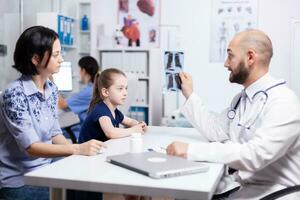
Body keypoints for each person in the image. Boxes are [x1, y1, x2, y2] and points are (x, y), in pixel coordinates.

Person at [166, 29, 300, 199]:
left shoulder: (283, 102)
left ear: (250, 57)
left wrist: (191, 150)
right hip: (247, 187)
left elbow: (255, 155)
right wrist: (189, 94)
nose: (226, 64)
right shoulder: (242, 99)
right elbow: (215, 131)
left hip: (276, 192)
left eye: (230, 56)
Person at [0, 26, 106, 200]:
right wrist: (77, 149)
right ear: (36, 59)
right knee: (78, 192)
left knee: (90, 183)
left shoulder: (50, 89)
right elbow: (31, 148)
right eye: (56, 55)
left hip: (46, 168)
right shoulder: (14, 94)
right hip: (21, 181)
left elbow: (55, 132)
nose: (61, 59)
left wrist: (76, 155)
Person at [79, 68, 147, 143]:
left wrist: (139, 125)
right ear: (105, 92)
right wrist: (134, 130)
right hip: (85, 154)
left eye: (126, 88)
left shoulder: (115, 111)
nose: (125, 93)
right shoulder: (101, 111)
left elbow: (130, 122)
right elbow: (111, 133)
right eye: (120, 88)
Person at [58, 56, 99, 124]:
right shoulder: (94, 87)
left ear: (83, 71)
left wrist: (52, 84)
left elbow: (62, 105)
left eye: (79, 70)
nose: (79, 73)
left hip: (84, 130)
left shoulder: (89, 91)